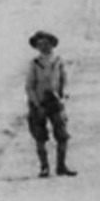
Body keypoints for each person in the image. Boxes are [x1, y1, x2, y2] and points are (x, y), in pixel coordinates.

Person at [26, 30, 76, 178]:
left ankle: (61, 166)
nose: (44, 47)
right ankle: (44, 167)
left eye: (47, 43)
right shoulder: (34, 64)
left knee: (62, 135)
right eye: (40, 44)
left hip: (55, 102)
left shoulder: (58, 61)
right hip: (39, 103)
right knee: (40, 136)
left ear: (52, 45)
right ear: (36, 47)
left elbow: (64, 81)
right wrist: (36, 103)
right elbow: (29, 86)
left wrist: (63, 97)